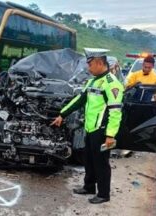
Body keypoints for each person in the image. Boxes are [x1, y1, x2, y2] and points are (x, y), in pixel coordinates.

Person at [51, 48, 124, 204]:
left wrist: (111, 135)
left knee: (101, 163)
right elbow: (79, 100)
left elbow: (116, 112)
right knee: (89, 159)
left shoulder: (112, 84)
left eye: (90, 65)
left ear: (99, 62)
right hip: (90, 128)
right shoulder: (93, 81)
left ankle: (104, 194)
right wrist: (62, 115)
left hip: (102, 131)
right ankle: (89, 186)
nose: (88, 68)